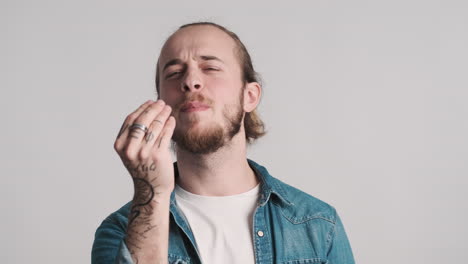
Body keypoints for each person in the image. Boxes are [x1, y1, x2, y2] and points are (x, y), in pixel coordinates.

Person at [92, 22, 355, 264]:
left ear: (249, 96)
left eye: (210, 68)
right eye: (173, 73)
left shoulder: (318, 224)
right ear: (160, 102)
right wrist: (151, 194)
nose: (190, 81)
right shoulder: (120, 230)